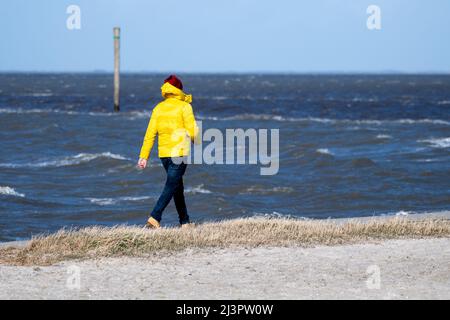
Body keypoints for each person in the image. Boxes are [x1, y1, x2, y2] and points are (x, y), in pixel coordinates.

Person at [137, 75, 198, 229]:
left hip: (164, 155)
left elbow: (150, 134)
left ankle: (185, 222)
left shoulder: (158, 108)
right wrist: (195, 140)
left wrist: (143, 156)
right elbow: (193, 131)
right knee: (172, 185)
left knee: (177, 186)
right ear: (179, 90)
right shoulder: (185, 107)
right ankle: (154, 217)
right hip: (179, 153)